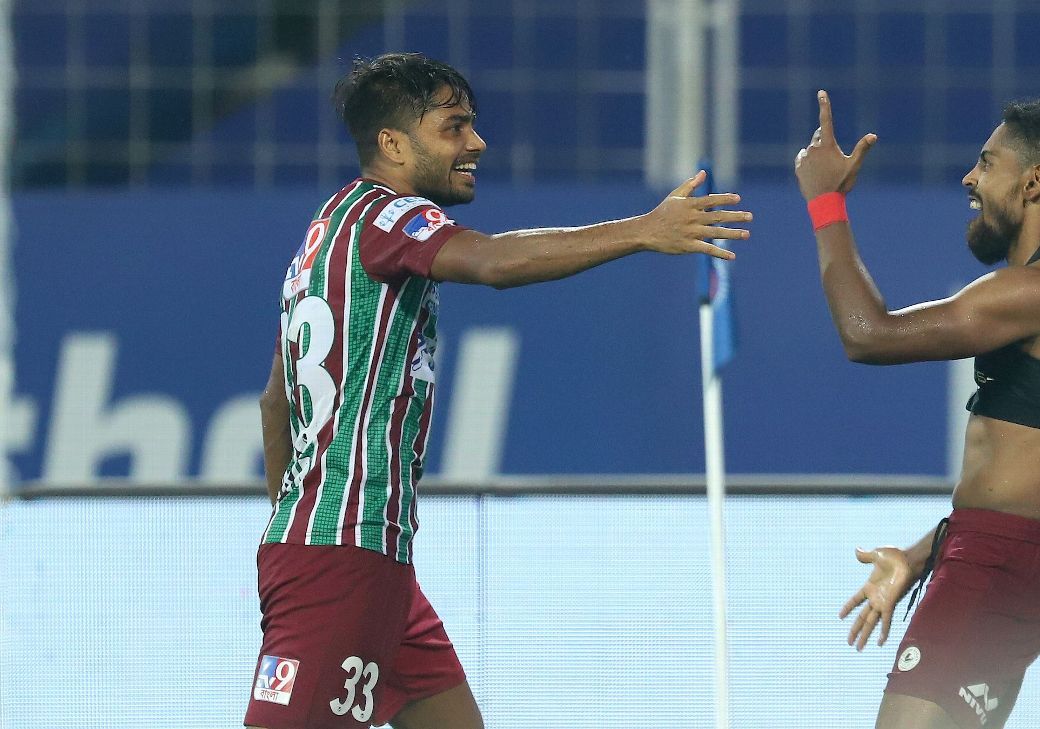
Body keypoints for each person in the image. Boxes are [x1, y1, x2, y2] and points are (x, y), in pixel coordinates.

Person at [248, 52, 751, 729]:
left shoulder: (325, 229)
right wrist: (643, 230)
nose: (477, 143)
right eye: (454, 127)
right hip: (343, 557)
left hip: (361, 555)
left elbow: (275, 402)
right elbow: (490, 261)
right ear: (393, 144)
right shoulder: (392, 217)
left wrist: (296, 531)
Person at [795, 91, 1040, 729]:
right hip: (1012, 556)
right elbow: (1020, 489)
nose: (969, 178)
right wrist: (921, 555)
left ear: (1034, 182)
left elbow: (868, 335)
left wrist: (825, 201)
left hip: (998, 564)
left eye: (988, 162)